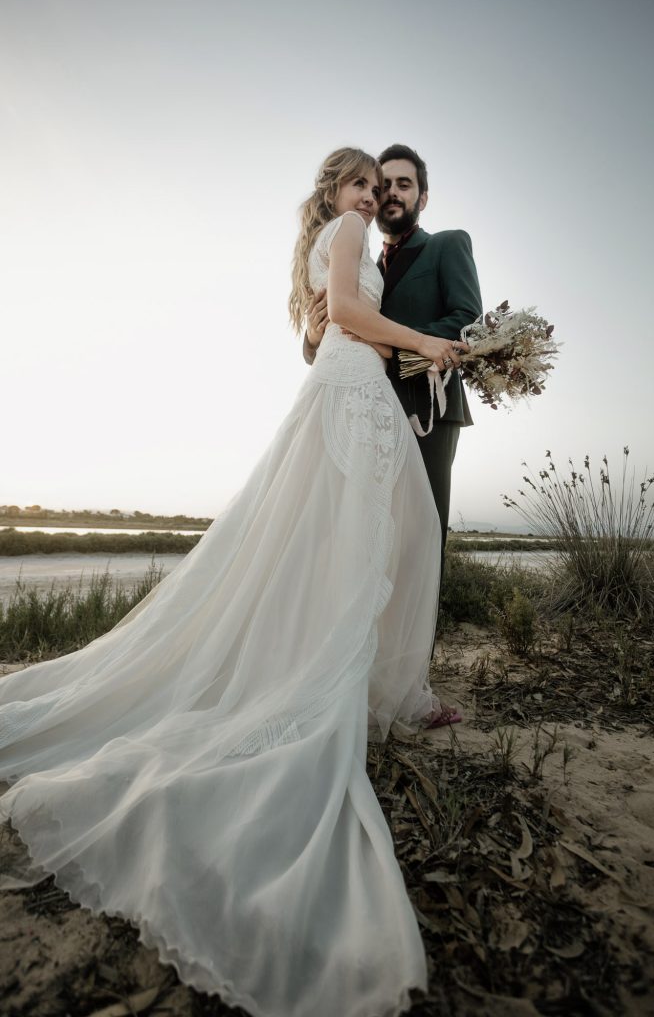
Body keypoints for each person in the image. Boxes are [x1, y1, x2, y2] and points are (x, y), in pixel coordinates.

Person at [0, 148, 464, 1017]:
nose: (369, 196)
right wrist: (428, 340)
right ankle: (348, 678)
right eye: (358, 182)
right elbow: (353, 316)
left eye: (377, 184)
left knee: (347, 543)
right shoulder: (355, 229)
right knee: (372, 543)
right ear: (336, 191)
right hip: (354, 386)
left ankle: (363, 675)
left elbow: (334, 318)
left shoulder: (341, 234)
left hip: (351, 386)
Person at [304, 144, 483, 566]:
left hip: (429, 410)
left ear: (422, 198)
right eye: (384, 185)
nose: (391, 194)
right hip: (360, 410)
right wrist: (313, 336)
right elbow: (336, 332)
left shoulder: (447, 244)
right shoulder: (360, 262)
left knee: (421, 535)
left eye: (405, 185)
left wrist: (395, 347)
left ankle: (421, 634)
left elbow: (467, 321)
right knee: (357, 536)